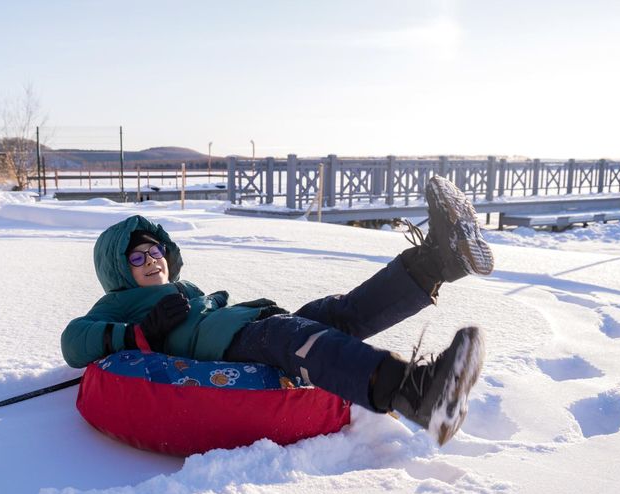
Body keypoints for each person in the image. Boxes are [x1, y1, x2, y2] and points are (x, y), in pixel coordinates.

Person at [62, 176, 494, 446]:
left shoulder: (183, 288)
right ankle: (416, 394)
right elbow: (74, 341)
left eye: (154, 250)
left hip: (252, 324)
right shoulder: (118, 302)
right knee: (301, 341)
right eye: (136, 258)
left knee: (338, 313)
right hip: (231, 345)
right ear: (119, 270)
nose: (151, 260)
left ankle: (440, 261)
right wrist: (139, 335)